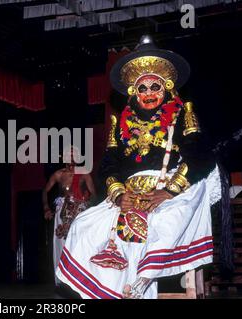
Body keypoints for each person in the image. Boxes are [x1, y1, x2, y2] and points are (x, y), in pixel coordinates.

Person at [55, 35, 222, 299]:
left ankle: (141, 282)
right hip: (129, 193)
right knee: (85, 225)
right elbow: (109, 167)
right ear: (133, 92)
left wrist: (169, 192)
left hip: (170, 186)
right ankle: (110, 291)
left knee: (164, 221)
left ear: (166, 87)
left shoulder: (181, 115)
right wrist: (121, 196)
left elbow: (201, 156)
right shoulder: (120, 124)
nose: (148, 93)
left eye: (154, 86)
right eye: (142, 88)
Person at [42, 146, 96, 285]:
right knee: (61, 244)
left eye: (74, 155)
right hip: (62, 213)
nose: (71, 158)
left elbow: (94, 194)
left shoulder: (84, 173)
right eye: (68, 155)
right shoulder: (58, 174)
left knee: (78, 244)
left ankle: (79, 280)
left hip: (79, 213)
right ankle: (61, 279)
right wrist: (46, 208)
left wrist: (86, 201)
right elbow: (45, 191)